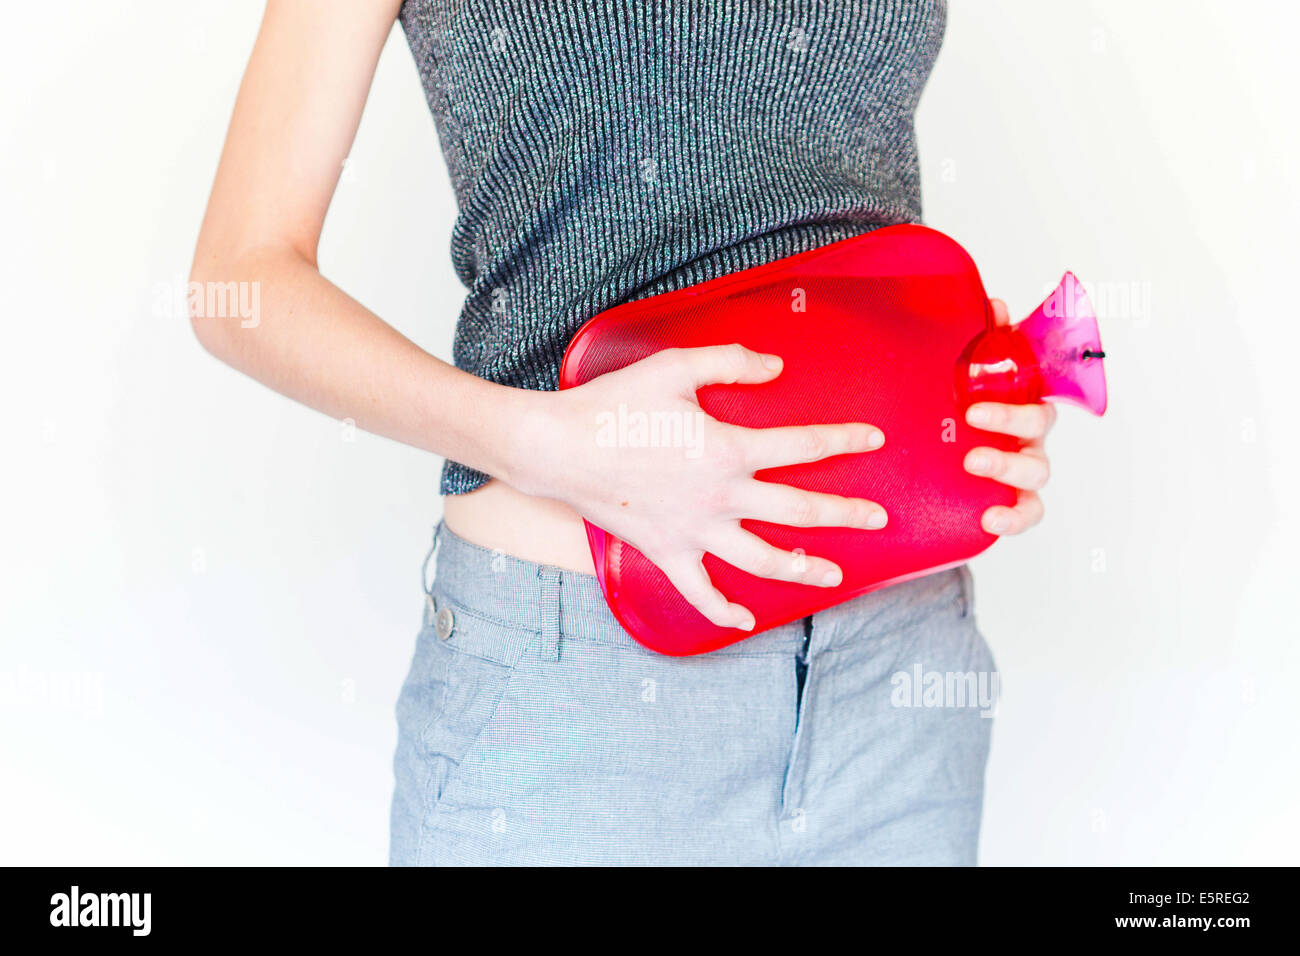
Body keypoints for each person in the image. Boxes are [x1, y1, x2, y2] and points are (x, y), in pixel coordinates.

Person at [190, 0, 1055, 865]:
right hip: (575, 694)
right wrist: (537, 444)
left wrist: (956, 384)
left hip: (898, 677)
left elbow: (846, 207)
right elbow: (241, 279)